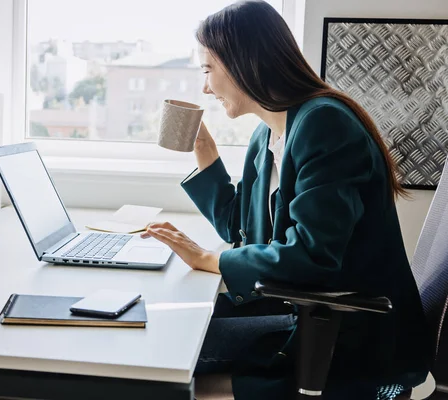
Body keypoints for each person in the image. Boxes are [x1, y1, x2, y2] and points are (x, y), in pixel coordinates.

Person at [140, 1, 433, 399]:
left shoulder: (324, 124)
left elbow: (312, 255)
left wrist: (210, 260)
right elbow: (240, 229)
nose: (205, 87)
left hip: (341, 333)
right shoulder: (268, 137)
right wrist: (205, 152)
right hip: (297, 311)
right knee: (159, 318)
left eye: (208, 70)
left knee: (167, 344)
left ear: (243, 62)